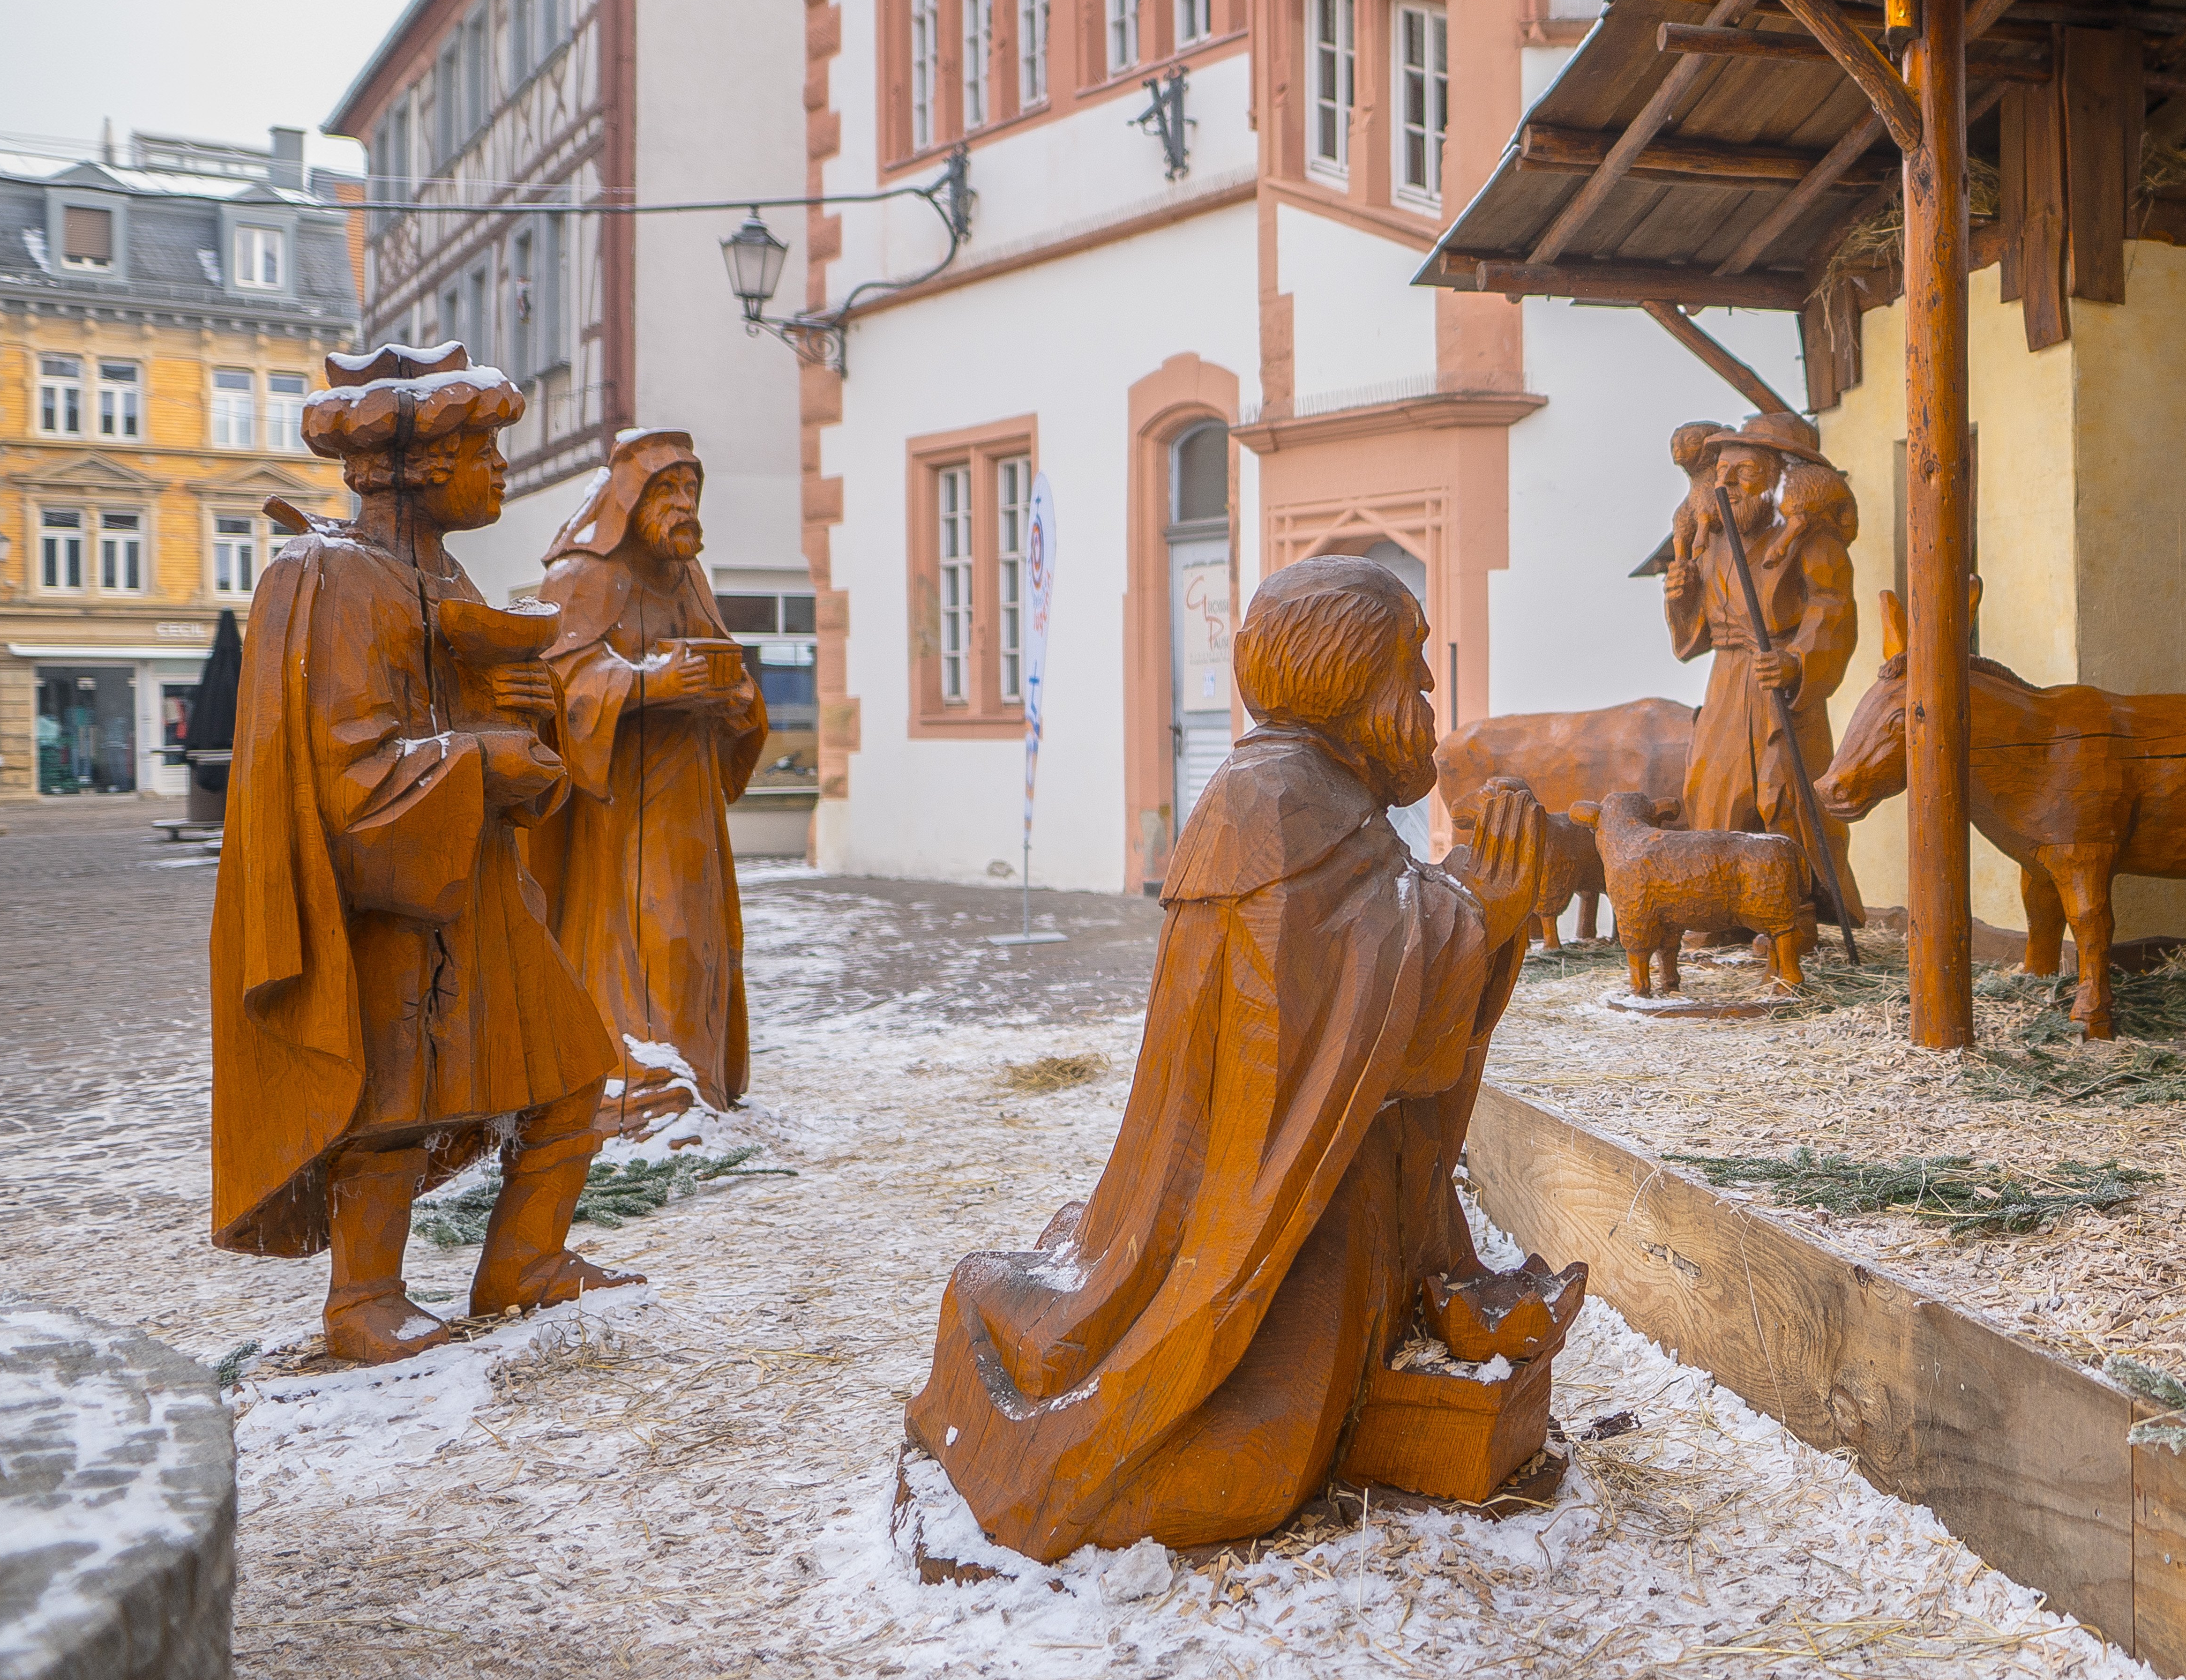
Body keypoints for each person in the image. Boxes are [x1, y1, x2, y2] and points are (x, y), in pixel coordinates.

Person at [910, 556, 1549, 1557]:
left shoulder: (1316, 793)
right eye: (1412, 670)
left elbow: (1369, 973)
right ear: (1350, 675)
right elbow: (1338, 996)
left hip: (1328, 1205)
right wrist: (1475, 909)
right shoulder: (1278, 801)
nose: (1428, 698)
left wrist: (1467, 911)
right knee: (1248, 1460)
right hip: (1262, 1224)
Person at [208, 343, 637, 1364]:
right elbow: (351, 777)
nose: (501, 469)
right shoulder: (335, 578)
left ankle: (523, 1264)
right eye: (484, 449)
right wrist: (486, 753)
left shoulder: (438, 576)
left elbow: (477, 740)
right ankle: (362, 1303)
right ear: (421, 464)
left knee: (574, 1071)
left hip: (474, 880)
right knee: (394, 1095)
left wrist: (526, 724)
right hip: (393, 895)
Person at [533, 431, 770, 1120]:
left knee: (697, 938)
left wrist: (736, 699)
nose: (684, 503)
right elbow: (559, 682)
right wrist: (647, 685)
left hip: (690, 794)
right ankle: (635, 1084)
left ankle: (700, 1083)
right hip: (620, 808)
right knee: (648, 931)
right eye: (666, 488)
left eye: (690, 487)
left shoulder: (689, 575)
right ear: (629, 500)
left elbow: (730, 668)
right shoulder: (580, 575)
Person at [1659, 411, 1857, 840]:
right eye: (1723, 471)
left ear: (1777, 478)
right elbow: (1697, 634)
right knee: (1710, 794)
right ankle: (1722, 896)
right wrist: (1682, 595)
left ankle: (1799, 899)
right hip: (1725, 689)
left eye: (1743, 472)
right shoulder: (1712, 540)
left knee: (1785, 802)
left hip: (1777, 685)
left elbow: (1833, 608)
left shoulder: (1812, 540)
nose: (1727, 483)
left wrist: (1797, 662)